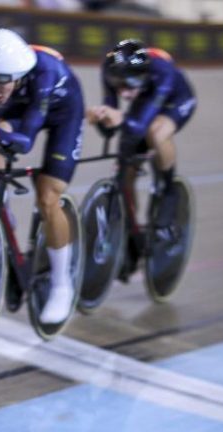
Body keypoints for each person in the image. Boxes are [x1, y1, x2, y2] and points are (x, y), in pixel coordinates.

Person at [0, 29, 85, 324]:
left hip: (62, 113)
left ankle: (61, 284)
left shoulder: (45, 74)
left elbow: (26, 139)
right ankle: (0, 211)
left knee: (47, 196)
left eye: (1, 81)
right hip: (19, 109)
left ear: (18, 73)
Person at [86, 39, 196, 282]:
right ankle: (131, 229)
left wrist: (120, 118)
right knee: (125, 169)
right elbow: (112, 129)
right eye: (119, 84)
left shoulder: (162, 71)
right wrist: (102, 118)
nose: (124, 92)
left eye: (131, 83)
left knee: (156, 133)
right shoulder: (109, 70)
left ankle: (167, 189)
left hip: (174, 100)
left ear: (144, 75)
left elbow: (140, 124)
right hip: (145, 101)